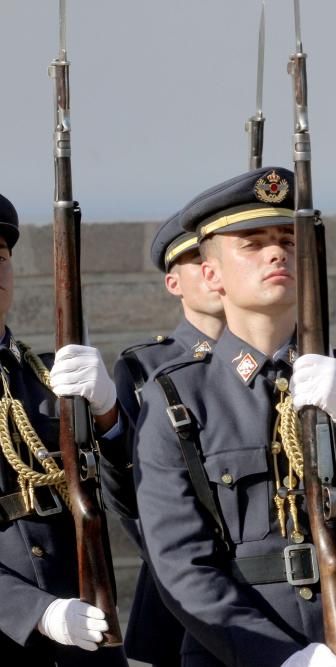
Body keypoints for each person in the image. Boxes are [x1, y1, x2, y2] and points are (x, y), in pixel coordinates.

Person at [133, 167, 336, 667]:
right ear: (211, 275)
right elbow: (181, 567)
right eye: (252, 243)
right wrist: (276, 657)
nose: (277, 253)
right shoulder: (178, 396)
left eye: (287, 242)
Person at [0, 193, 127, 665]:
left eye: (1, 257)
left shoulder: (50, 376)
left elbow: (137, 501)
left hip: (85, 636)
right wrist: (35, 611)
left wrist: (110, 417)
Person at [111, 213, 225, 667]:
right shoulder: (145, 370)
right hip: (180, 591)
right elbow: (135, 499)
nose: (211, 269)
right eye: (197, 259)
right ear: (173, 282)